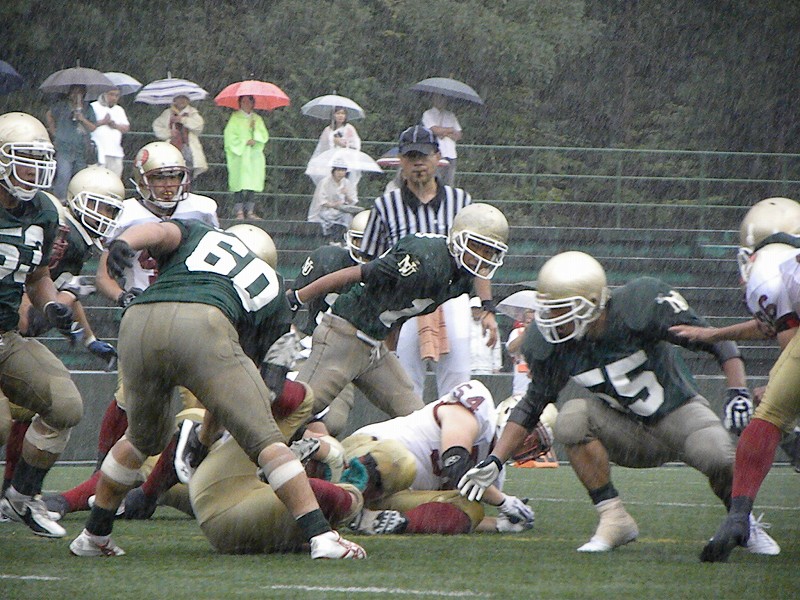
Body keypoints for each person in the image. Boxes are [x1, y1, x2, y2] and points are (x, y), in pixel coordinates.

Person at [68, 218, 365, 559]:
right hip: (204, 323)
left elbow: (160, 231)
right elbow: (256, 385)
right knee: (266, 440)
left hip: (139, 320)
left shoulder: (200, 233)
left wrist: (124, 242)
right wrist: (209, 437)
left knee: (139, 440)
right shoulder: (272, 291)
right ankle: (322, 536)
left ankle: (95, 534)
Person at [457, 251, 780, 556]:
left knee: (720, 458)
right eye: (548, 309)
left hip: (678, 413)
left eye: (562, 309)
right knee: (572, 418)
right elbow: (532, 404)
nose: (552, 319)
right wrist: (496, 460)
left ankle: (743, 522)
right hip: (625, 430)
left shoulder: (639, 305)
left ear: (593, 303)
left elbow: (716, 341)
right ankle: (614, 519)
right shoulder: (551, 343)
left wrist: (737, 390)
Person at [43, 142, 218, 520]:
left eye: (174, 176)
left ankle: (167, 484)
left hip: (193, 318)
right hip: (146, 319)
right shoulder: (127, 215)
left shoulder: (203, 209)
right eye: (159, 177)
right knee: (129, 401)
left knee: (202, 409)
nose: (168, 185)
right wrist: (123, 296)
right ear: (142, 180)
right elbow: (104, 275)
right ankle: (103, 470)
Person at [288, 202, 509, 430]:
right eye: (476, 247)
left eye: (488, 252)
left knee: (419, 422)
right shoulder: (424, 259)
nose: (480, 257)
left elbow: (399, 313)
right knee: (299, 411)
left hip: (374, 347)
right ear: (458, 238)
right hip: (344, 335)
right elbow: (357, 273)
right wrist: (297, 297)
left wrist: (488, 308)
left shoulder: (461, 276)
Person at [668, 197, 800, 562]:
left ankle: (739, 517)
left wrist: (778, 389)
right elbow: (775, 325)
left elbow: (789, 341)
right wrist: (713, 335)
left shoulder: (768, 268)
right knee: (772, 410)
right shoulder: (786, 266)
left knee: (770, 414)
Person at [359, 125, 498, 401]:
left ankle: (453, 429)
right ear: (401, 160)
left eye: (423, 156)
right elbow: (369, 263)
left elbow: (479, 258)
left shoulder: (461, 202)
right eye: (411, 157)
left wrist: (487, 307)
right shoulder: (385, 206)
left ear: (437, 157)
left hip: (452, 298)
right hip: (404, 302)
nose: (418, 163)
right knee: (406, 387)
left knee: (458, 385)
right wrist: (375, 313)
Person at [0, 112, 84, 538]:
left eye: (39, 162)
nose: (34, 171)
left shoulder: (45, 210)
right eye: (25, 161)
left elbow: (36, 276)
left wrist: (51, 306)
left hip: (5, 336)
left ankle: (21, 495)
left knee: (65, 405)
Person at [344, 380, 536, 536]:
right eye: (529, 436)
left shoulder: (494, 477)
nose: (526, 444)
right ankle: (343, 493)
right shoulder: (481, 412)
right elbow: (455, 463)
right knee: (402, 463)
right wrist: (503, 501)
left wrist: (500, 524)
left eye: (537, 444)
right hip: (368, 454)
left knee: (471, 508)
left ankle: (374, 520)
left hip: (390, 496)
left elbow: (453, 514)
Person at [45, 84, 97, 200]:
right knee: (63, 175)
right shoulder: (62, 106)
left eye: (79, 92)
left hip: (81, 149)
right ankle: (60, 200)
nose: (76, 95)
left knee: (80, 178)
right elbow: (49, 114)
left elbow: (93, 127)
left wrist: (82, 119)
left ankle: (78, 200)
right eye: (74, 92)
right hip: (64, 148)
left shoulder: (88, 108)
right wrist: (54, 131)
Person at [223, 95, 268, 220]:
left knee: (252, 184)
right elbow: (230, 136)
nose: (246, 104)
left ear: (253, 103)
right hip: (240, 156)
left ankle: (250, 211)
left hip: (253, 156)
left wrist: (256, 135)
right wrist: (244, 142)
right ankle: (239, 212)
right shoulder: (235, 118)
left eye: (249, 101)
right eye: (243, 101)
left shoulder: (257, 119)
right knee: (239, 183)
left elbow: (263, 135)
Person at [153, 94, 207, 179]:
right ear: (175, 100)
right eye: (179, 98)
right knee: (171, 171)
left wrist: (182, 120)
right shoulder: (168, 113)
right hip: (172, 146)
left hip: (189, 147)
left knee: (189, 172)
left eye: (184, 99)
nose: (182, 101)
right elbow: (157, 126)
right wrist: (169, 133)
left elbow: (198, 126)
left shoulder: (193, 113)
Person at [307, 107, 361, 187]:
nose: (340, 116)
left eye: (343, 113)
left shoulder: (349, 128)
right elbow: (322, 146)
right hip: (331, 161)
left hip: (345, 161)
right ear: (333, 115)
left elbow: (355, 145)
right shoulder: (328, 130)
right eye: (338, 113)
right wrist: (332, 141)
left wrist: (344, 145)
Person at [307, 161, 358, 245]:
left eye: (343, 170)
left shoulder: (347, 183)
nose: (340, 173)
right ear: (333, 171)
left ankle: (344, 240)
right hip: (326, 210)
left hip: (342, 211)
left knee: (347, 218)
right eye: (338, 170)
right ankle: (333, 240)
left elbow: (353, 201)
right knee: (330, 217)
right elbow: (321, 200)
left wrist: (346, 194)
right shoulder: (325, 182)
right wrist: (334, 205)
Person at [421, 93, 462, 186]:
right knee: (435, 183)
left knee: (449, 184)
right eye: (439, 98)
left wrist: (444, 132)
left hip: (451, 154)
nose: (441, 101)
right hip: (436, 154)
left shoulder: (450, 115)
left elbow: (458, 135)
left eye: (443, 98)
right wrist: (450, 130)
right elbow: (435, 130)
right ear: (434, 99)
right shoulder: (428, 114)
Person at [90, 87, 130, 177]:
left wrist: (115, 125)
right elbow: (87, 125)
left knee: (115, 181)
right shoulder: (93, 106)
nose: (114, 98)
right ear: (104, 94)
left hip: (116, 153)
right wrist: (103, 122)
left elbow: (126, 128)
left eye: (117, 95)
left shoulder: (119, 109)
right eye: (111, 94)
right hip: (98, 153)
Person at [468, 296, 502, 374]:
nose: (476, 311)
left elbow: (496, 346)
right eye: (473, 308)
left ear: (482, 309)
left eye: (478, 308)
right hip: (469, 367)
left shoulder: (491, 324)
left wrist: (496, 366)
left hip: (486, 367)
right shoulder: (465, 325)